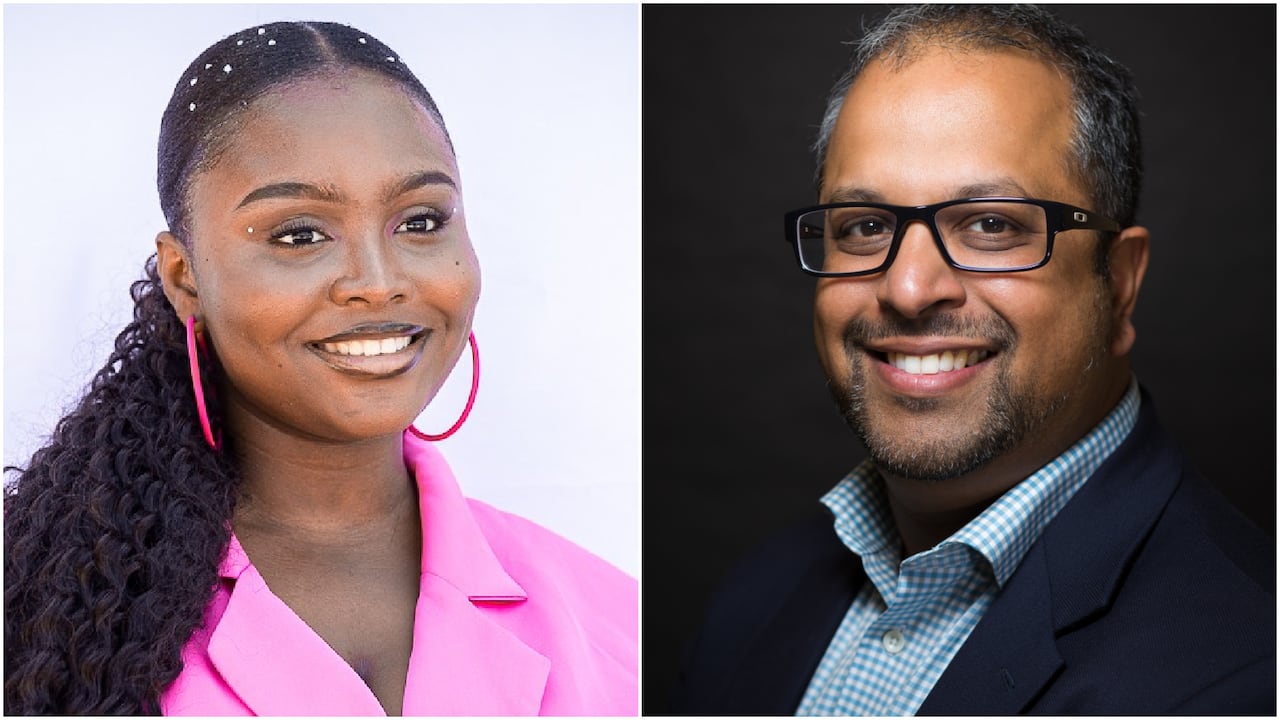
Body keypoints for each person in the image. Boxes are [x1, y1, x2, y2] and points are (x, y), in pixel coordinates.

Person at [4, 20, 637, 715]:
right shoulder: (46, 610)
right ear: (184, 277)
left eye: (421, 221)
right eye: (300, 234)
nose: (377, 281)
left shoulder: (611, 616)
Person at [667, 5, 1273, 715]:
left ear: (1120, 282)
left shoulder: (1247, 668)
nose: (909, 288)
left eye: (991, 225)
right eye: (865, 226)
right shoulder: (758, 591)